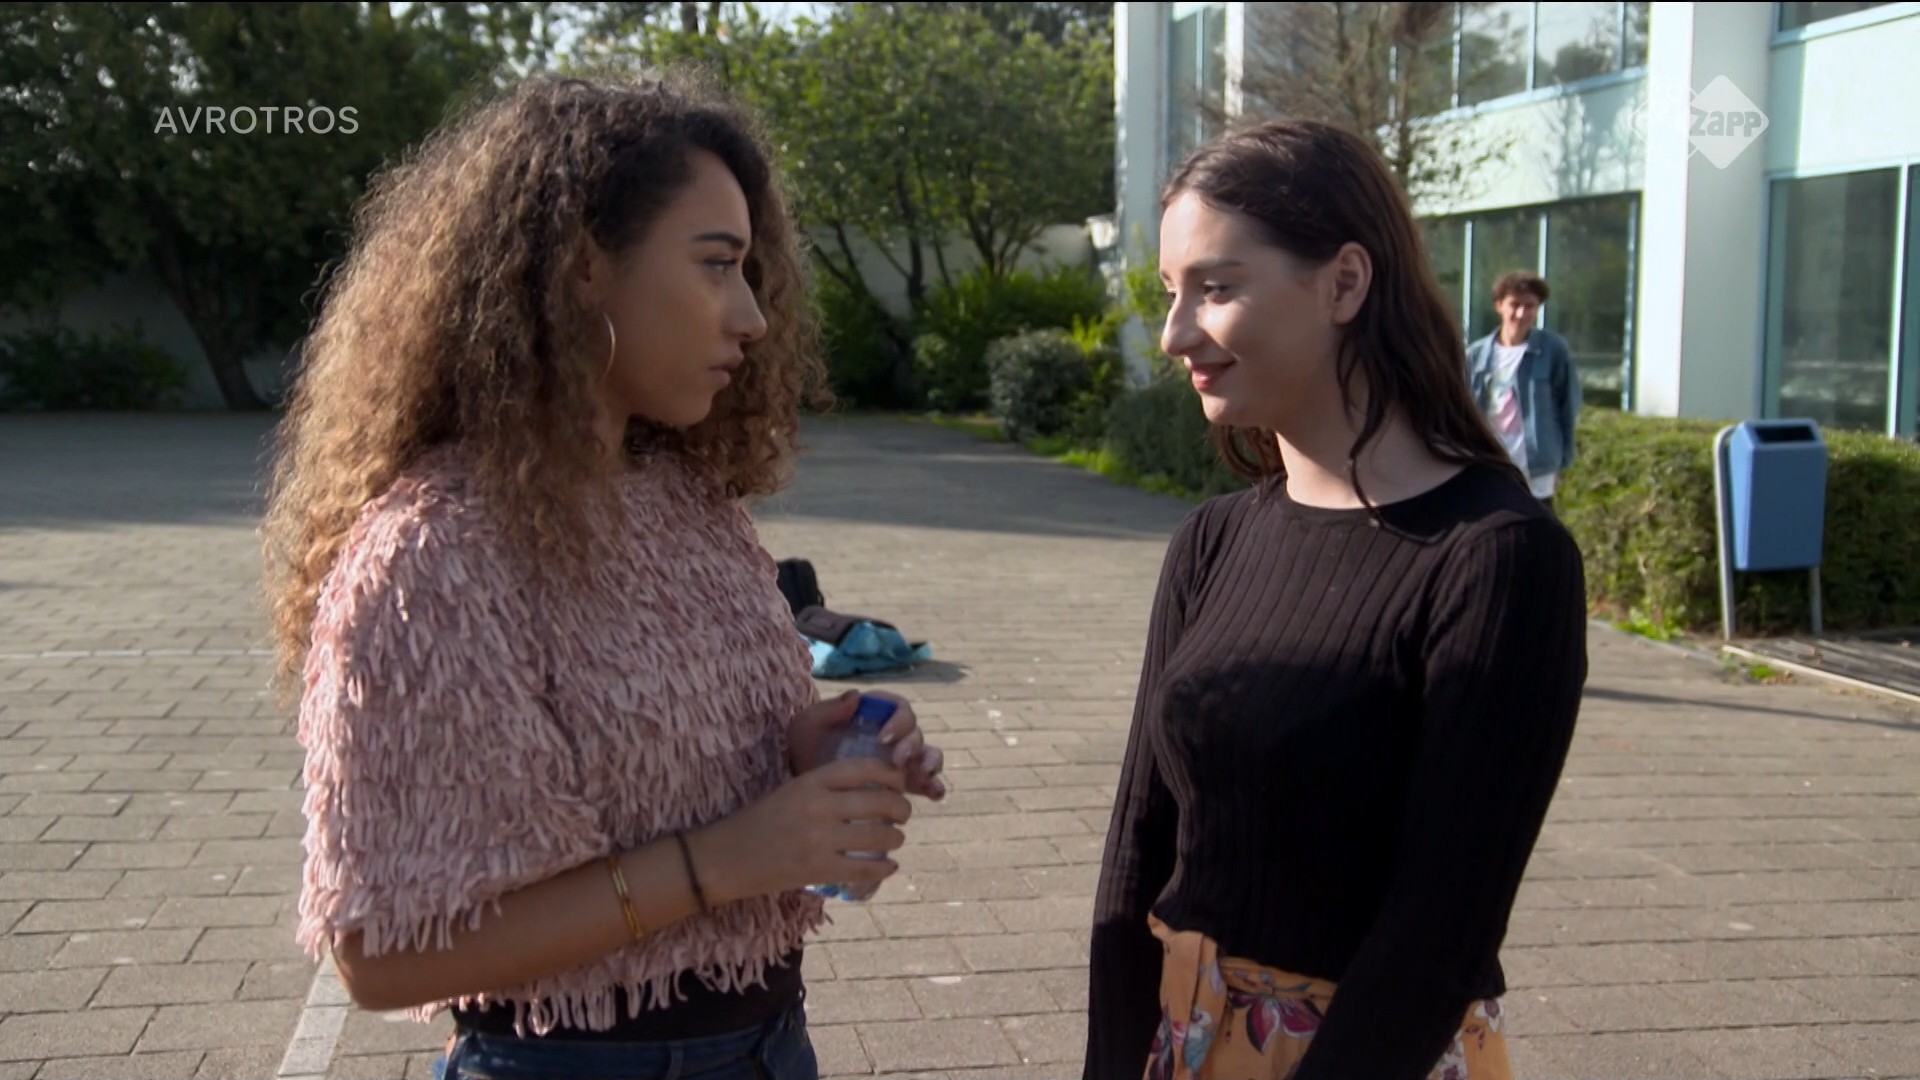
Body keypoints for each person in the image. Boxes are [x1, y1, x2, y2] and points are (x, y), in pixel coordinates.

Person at [260, 71, 946, 1080]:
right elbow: (381, 958)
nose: (753, 317)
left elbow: (666, 770)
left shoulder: (687, 498)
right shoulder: (431, 557)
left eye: (751, 270)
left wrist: (804, 755)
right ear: (584, 270)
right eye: (717, 265)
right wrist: (728, 861)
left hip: (769, 1046)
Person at [1083, 119, 1589, 1080]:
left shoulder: (1499, 561)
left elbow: (1441, 933)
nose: (1176, 333)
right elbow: (1136, 855)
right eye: (1171, 292)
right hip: (1179, 1045)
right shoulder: (1211, 542)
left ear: (1346, 283)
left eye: (1215, 288)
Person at [1465, 271, 1580, 512]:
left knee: (1537, 523)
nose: (1521, 313)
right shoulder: (1476, 355)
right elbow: (1464, 410)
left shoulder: (1553, 350)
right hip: (1490, 459)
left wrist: (1563, 459)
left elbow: (1568, 406)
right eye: (1514, 305)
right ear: (1499, 306)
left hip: (1537, 461)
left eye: (1530, 306)